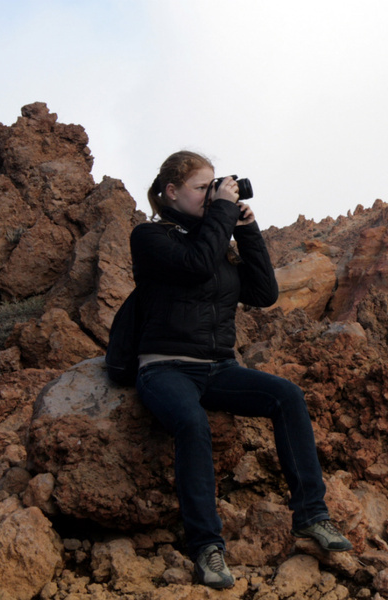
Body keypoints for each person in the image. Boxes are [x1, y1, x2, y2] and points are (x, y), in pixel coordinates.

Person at [131, 150, 352, 590]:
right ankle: (206, 547)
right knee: (192, 423)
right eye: (202, 188)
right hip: (165, 368)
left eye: (215, 188)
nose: (212, 196)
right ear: (172, 192)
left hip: (218, 368)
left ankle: (312, 515)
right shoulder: (151, 237)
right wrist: (225, 213)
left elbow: (264, 293)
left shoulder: (216, 240)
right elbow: (194, 264)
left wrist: (247, 232)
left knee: (286, 396)